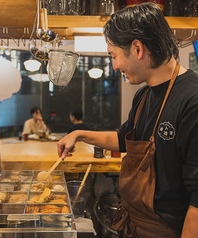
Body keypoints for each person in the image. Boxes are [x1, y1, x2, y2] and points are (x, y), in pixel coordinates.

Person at [57, 3, 198, 238]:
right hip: (134, 226)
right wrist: (78, 135)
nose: (114, 66)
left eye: (114, 56)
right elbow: (124, 139)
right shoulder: (144, 95)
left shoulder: (192, 100)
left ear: (137, 48)